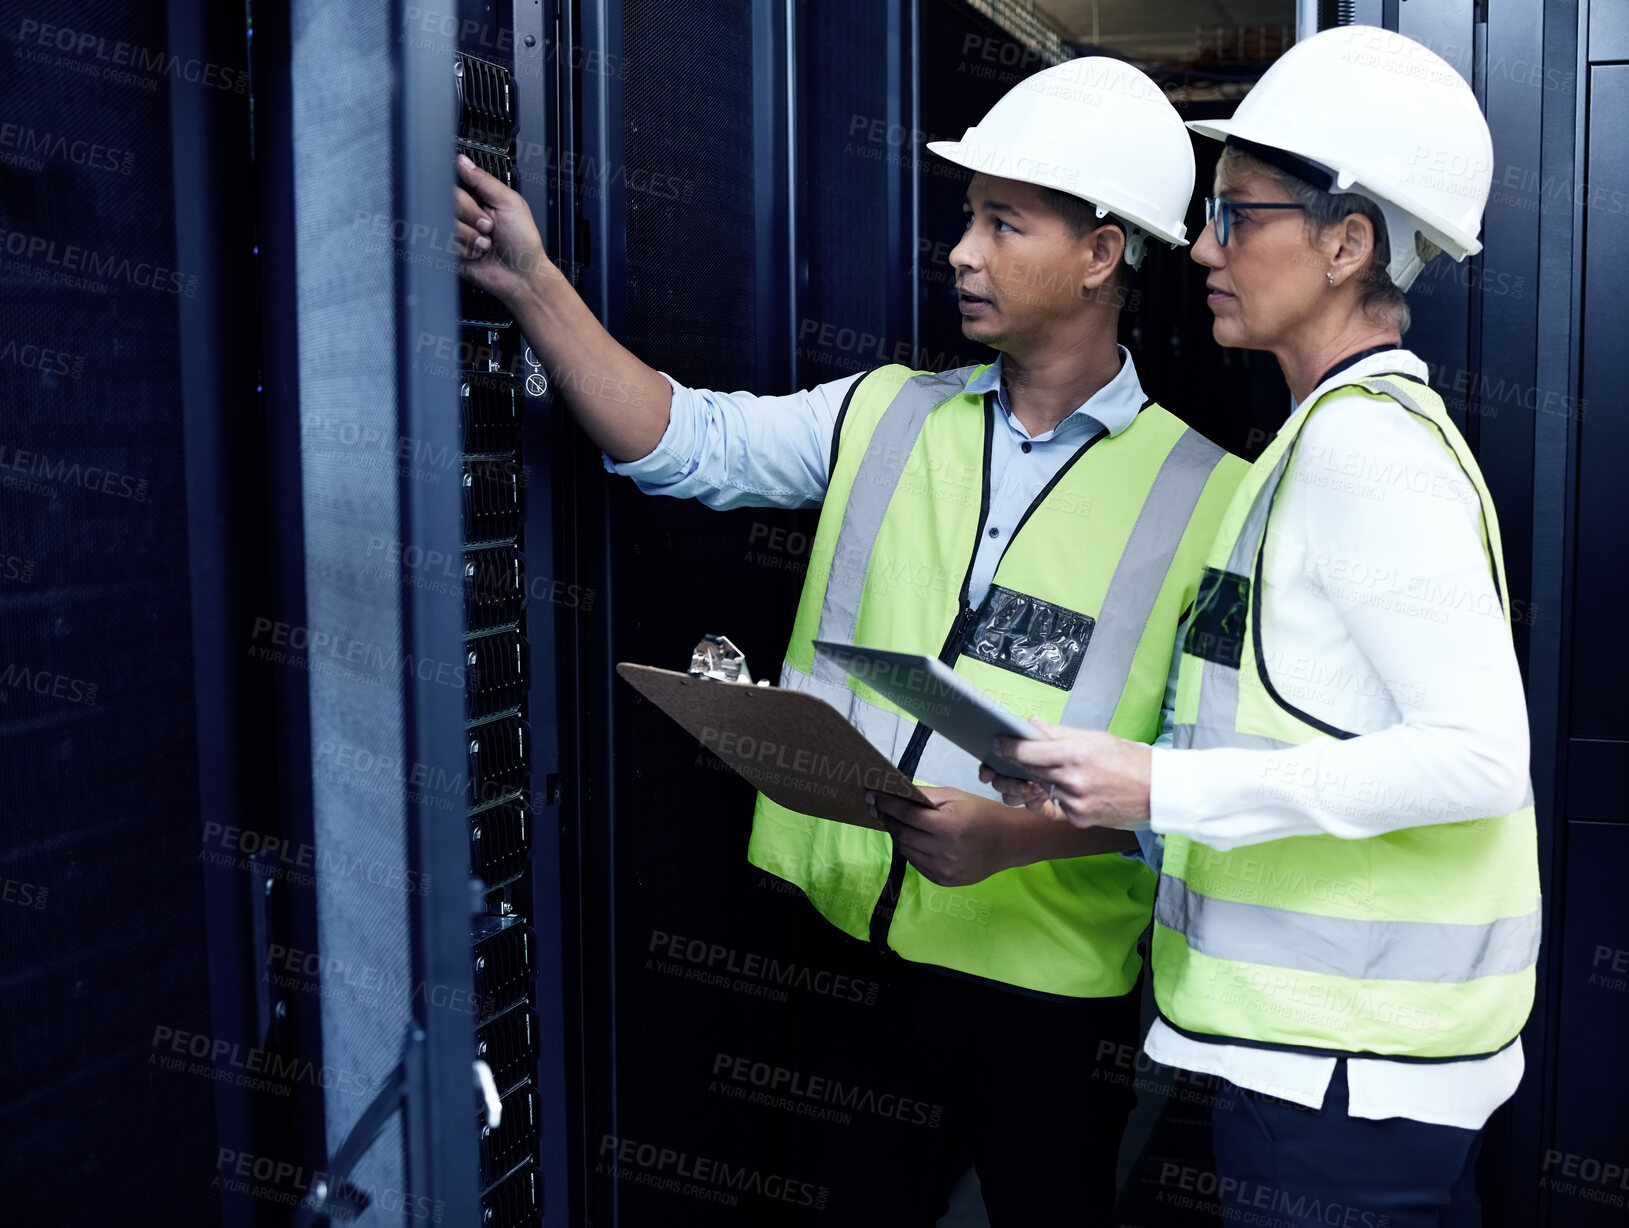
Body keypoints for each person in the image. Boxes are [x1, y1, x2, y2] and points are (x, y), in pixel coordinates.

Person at [456, 56, 1246, 1224]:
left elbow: (1213, 792)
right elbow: (684, 441)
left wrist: (1010, 840)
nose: (962, 251)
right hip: (845, 959)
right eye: (965, 218)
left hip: (1046, 1000)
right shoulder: (888, 410)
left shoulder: (1216, 501)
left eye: (1002, 222)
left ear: (1101, 253)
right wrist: (531, 285)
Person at [983, 26, 1538, 1228]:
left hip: (1350, 1085)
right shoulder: (1312, 447)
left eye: (1237, 216)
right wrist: (1108, 792)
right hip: (1340, 1070)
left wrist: (1159, 787)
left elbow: (1480, 754)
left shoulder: (1361, 453)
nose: (1200, 246)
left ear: (1347, 244)